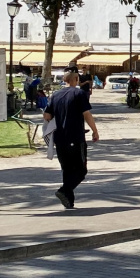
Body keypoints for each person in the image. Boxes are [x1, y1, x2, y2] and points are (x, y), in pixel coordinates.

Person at [44, 72, 101, 209]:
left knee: (67, 169)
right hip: (76, 137)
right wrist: (95, 130)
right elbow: (86, 114)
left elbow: (47, 115)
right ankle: (64, 191)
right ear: (76, 80)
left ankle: (68, 201)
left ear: (64, 80)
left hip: (60, 139)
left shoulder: (55, 95)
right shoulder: (79, 94)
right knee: (81, 171)